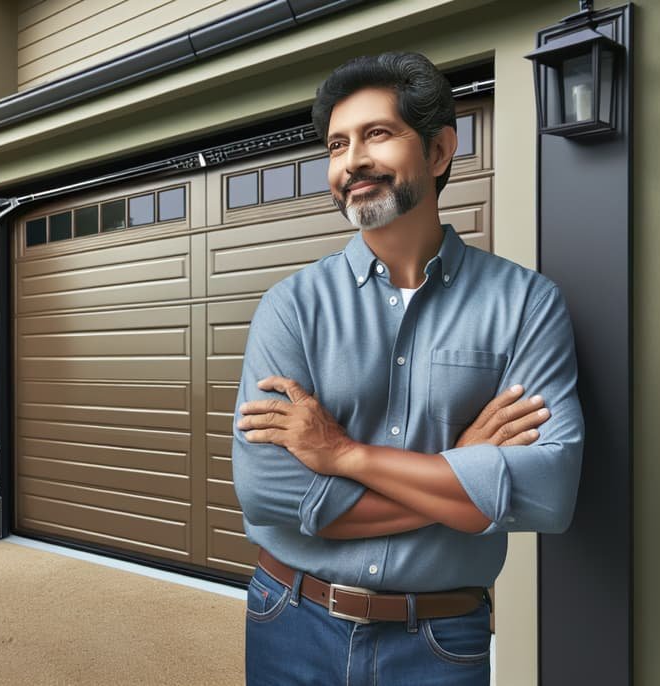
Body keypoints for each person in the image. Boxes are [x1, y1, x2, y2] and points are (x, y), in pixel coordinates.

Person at [231, 51, 584, 685]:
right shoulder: (291, 308)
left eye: (378, 134)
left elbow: (547, 490)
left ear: (440, 151)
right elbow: (267, 492)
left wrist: (344, 456)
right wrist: (463, 473)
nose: (352, 160)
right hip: (290, 616)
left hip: (440, 639)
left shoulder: (526, 304)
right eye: (338, 144)